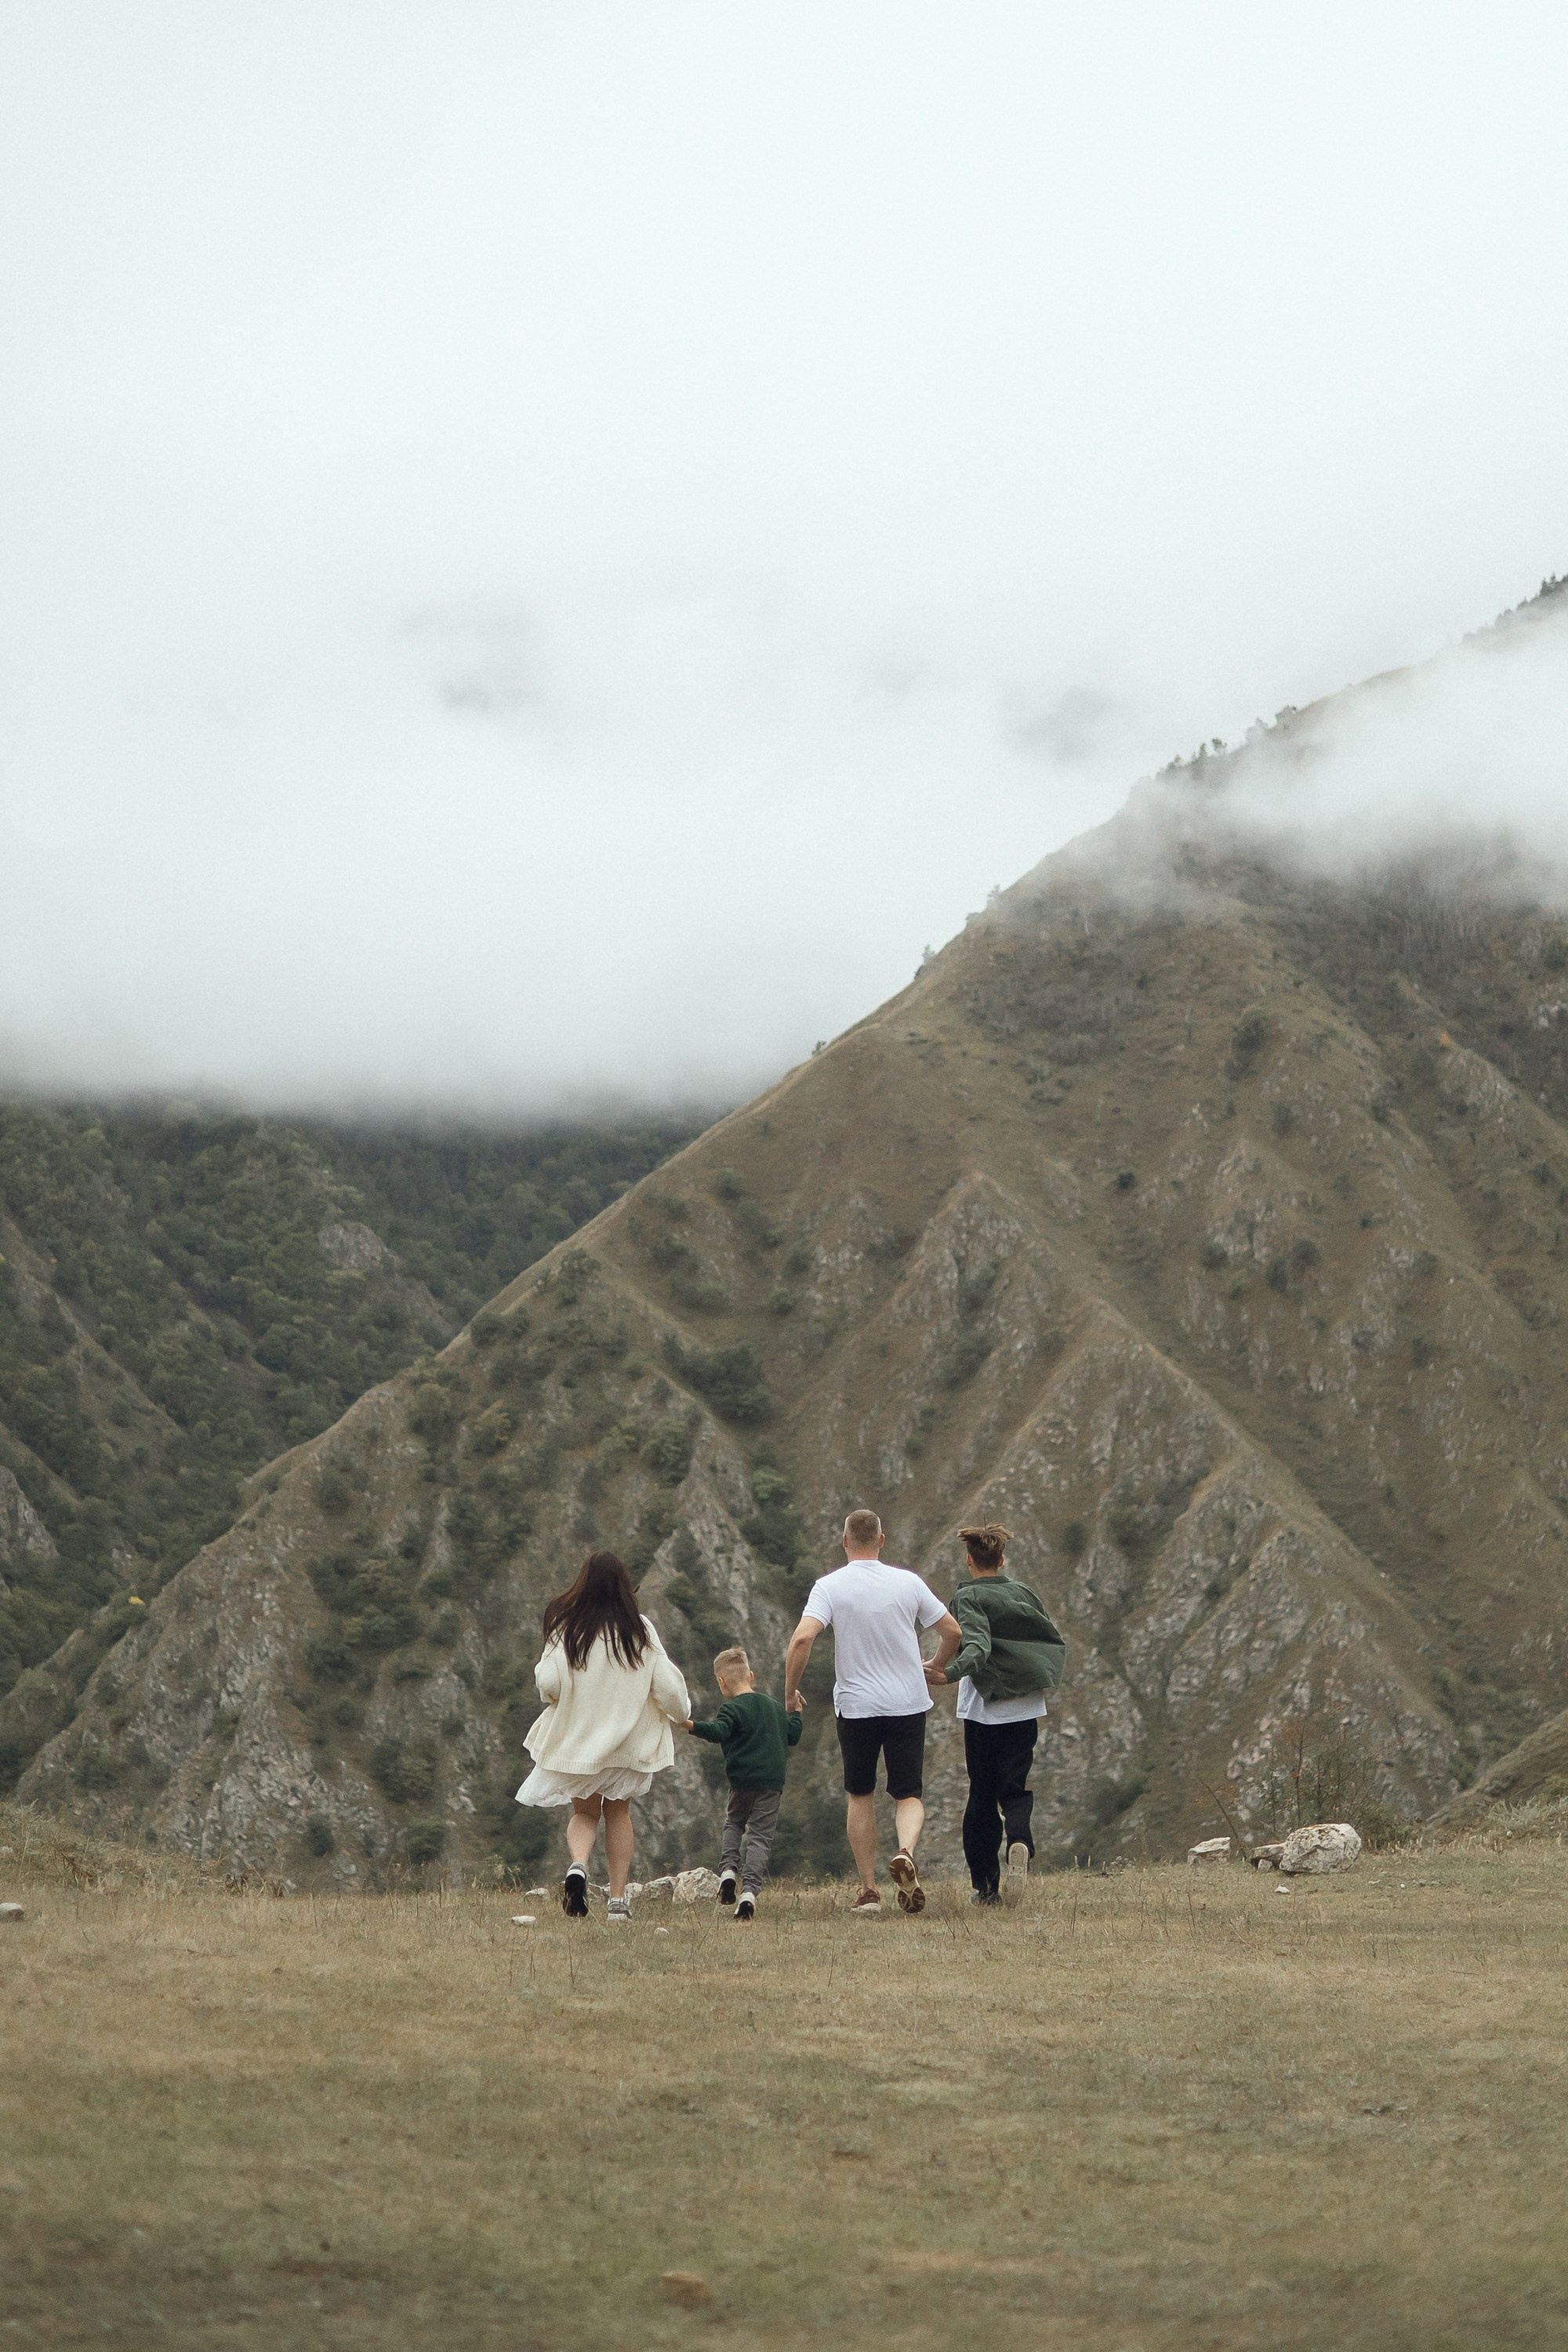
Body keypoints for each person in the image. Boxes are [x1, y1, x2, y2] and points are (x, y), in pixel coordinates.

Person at [784, 1509, 960, 1915]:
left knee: (860, 1794)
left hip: (857, 1706)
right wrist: (934, 1665)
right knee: (908, 1793)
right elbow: (953, 1631)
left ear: (844, 1542)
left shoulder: (829, 1587)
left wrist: (790, 1694)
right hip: (908, 1702)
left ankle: (868, 1891)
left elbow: (801, 1641)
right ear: (882, 1540)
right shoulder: (909, 1583)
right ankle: (905, 1851)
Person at [516, 1550, 691, 1923]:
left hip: (581, 1742)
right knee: (619, 1813)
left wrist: (556, 1699)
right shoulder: (638, 1629)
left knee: (584, 1813)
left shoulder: (567, 1628)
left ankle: (578, 1866)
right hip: (628, 1744)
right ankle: (617, 1902)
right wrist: (683, 1716)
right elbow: (669, 1688)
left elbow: (548, 1683)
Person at [925, 1522, 1065, 1906]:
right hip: (1025, 1705)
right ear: (1001, 1560)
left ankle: (985, 1889)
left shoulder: (967, 1596)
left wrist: (946, 1673)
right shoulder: (1024, 1592)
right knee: (1015, 1787)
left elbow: (978, 1648)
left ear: (970, 1560)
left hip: (985, 1709)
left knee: (982, 1796)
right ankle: (1019, 1840)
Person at [687, 1644, 804, 1921]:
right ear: (751, 1676)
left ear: (721, 1682)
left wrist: (690, 1725)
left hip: (741, 1782)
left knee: (735, 1824)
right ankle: (749, 1893)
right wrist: (796, 1711)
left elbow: (718, 1732)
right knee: (760, 1837)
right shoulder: (775, 1707)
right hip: (772, 1783)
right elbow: (793, 1736)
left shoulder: (732, 1709)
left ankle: (728, 1871)